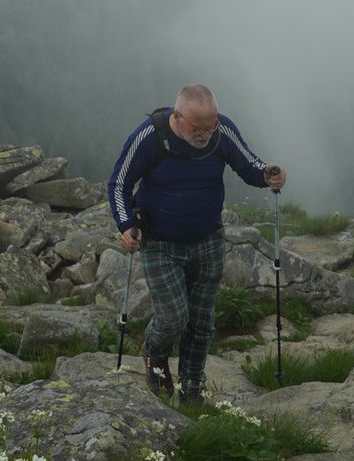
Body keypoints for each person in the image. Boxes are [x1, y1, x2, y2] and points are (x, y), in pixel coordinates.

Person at [107, 83, 286, 403]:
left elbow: (248, 165)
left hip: (208, 238)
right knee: (175, 316)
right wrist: (126, 225)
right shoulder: (150, 136)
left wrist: (268, 174)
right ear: (177, 116)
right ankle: (154, 352)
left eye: (211, 125)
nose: (206, 133)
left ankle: (192, 389)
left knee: (202, 320)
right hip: (160, 241)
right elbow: (119, 182)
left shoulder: (221, 131)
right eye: (198, 127)